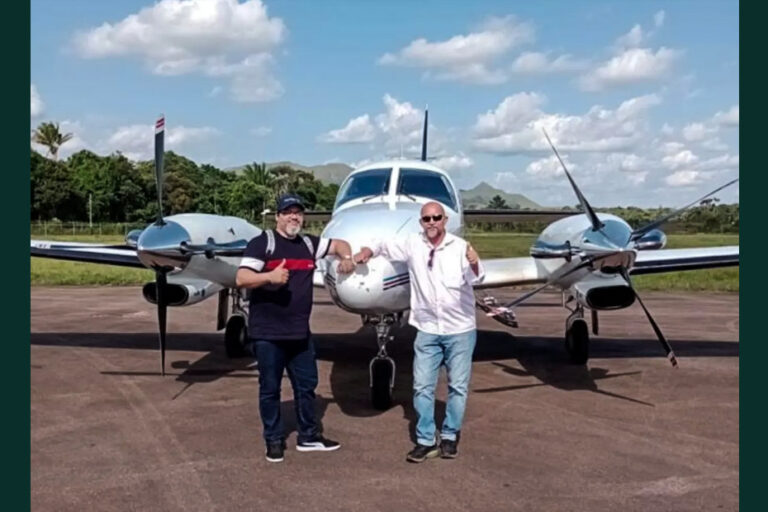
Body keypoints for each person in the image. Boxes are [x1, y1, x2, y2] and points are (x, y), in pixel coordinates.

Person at [353, 201, 484, 463]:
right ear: (421, 222)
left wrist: (474, 263)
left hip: (460, 330)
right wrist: (367, 251)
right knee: (422, 387)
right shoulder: (413, 244)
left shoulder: (460, 248)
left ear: (445, 220)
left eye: (436, 218)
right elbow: (383, 244)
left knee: (458, 388)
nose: (432, 222)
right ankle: (425, 440)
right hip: (426, 329)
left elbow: (478, 279)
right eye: (427, 219)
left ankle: (449, 436)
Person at [236, 193, 356, 463]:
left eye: (298, 212)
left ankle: (309, 437)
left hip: (299, 333)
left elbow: (339, 244)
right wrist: (269, 276)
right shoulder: (262, 244)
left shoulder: (308, 244)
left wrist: (346, 256)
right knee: (270, 389)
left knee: (307, 386)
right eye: (288, 212)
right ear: (277, 216)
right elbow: (241, 277)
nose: (294, 217)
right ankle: (274, 439)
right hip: (267, 333)